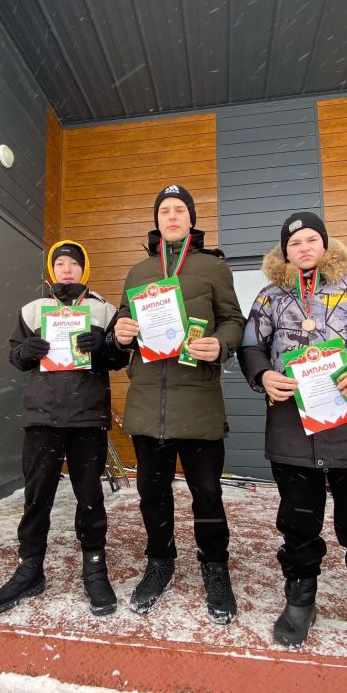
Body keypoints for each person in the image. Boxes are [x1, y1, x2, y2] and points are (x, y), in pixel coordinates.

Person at [238, 211, 347, 671]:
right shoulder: (269, 297)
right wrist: (262, 374)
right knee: (298, 522)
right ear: (284, 252)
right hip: (292, 426)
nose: (303, 247)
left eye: (311, 239)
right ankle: (301, 598)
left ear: (325, 245)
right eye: (293, 242)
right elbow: (250, 346)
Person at [108, 184, 245, 625]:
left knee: (207, 494)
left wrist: (219, 345)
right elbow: (120, 331)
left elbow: (234, 321)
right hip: (149, 403)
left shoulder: (212, 267)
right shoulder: (137, 272)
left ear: (190, 220)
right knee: (152, 494)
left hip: (199, 402)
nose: (172, 217)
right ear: (157, 220)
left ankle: (214, 568)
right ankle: (160, 562)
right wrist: (120, 334)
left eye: (179, 210)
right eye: (165, 211)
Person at [0, 240, 128, 618]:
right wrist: (25, 352)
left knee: (90, 497)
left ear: (84, 269)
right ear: (51, 270)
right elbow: (15, 355)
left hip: (86, 417)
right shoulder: (33, 310)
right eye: (60, 263)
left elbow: (119, 357)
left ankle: (94, 567)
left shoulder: (103, 308)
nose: (66, 269)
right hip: (42, 417)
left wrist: (105, 346)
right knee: (36, 498)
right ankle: (30, 568)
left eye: (73, 264)